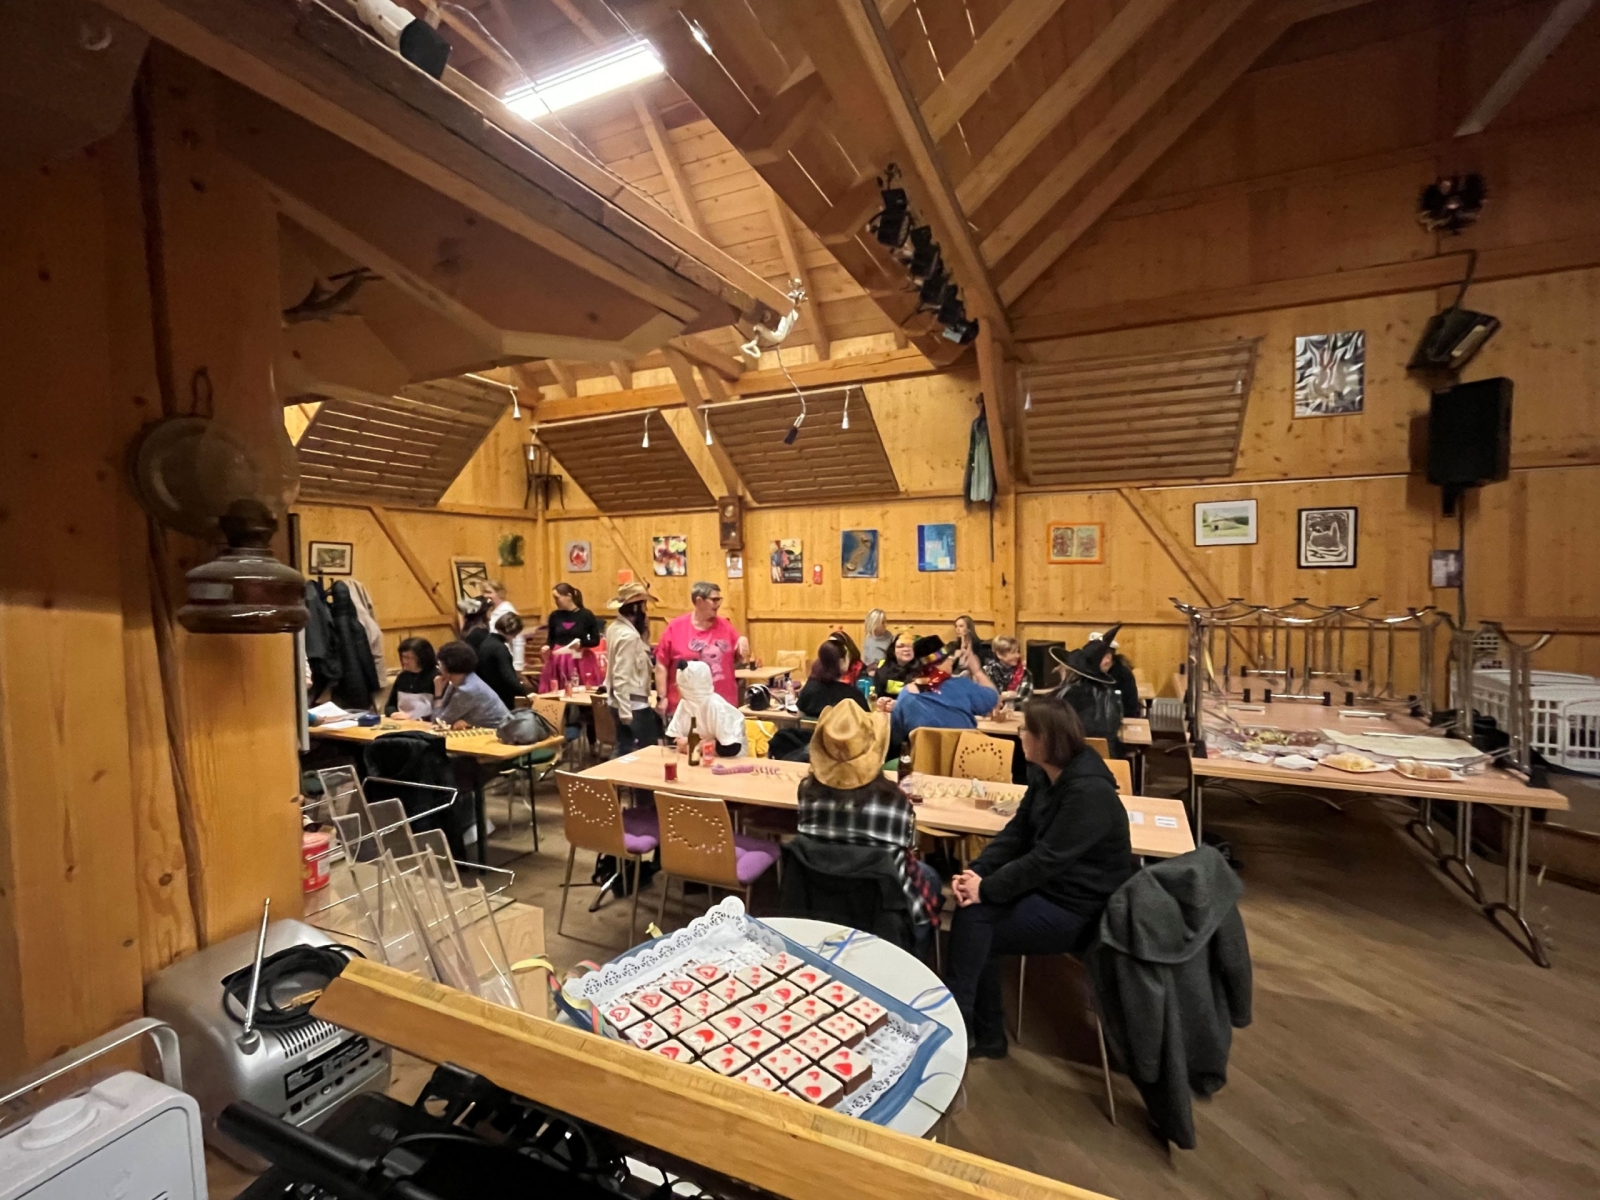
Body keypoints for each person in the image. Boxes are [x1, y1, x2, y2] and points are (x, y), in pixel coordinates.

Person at [945, 699, 1134, 1058]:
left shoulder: (1089, 793)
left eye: (1026, 730)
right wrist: (977, 872)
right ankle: (972, 1029)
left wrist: (986, 889)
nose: (1020, 735)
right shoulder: (1045, 774)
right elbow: (1018, 832)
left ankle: (962, 1028)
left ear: (1046, 739)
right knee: (973, 917)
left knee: (975, 924)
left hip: (1081, 909)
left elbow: (1046, 860)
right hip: (1050, 889)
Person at [797, 702, 942, 946]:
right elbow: (909, 847)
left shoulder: (806, 794)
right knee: (929, 876)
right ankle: (917, 953)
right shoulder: (895, 801)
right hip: (882, 906)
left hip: (822, 897)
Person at [885, 636, 999, 751]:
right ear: (936, 665)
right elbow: (993, 698)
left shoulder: (905, 696)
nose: (950, 661)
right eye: (947, 658)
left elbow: (896, 737)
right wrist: (977, 671)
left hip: (924, 760)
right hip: (964, 758)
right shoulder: (960, 686)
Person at [655, 580, 749, 714]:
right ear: (699, 601)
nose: (718, 604)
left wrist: (742, 642)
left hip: (722, 706)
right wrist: (662, 697)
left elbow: (735, 659)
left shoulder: (725, 625)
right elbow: (661, 664)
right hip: (686, 707)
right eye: (714, 600)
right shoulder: (676, 627)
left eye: (719, 600)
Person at [1051, 624, 1134, 751]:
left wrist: (1062, 682)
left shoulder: (1066, 695)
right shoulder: (1111, 698)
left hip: (1070, 756)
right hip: (1105, 757)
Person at [604, 581, 662, 758]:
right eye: (644, 606)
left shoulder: (614, 628)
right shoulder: (629, 637)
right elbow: (621, 675)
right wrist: (625, 712)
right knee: (646, 754)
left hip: (618, 701)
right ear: (636, 609)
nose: (646, 611)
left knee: (624, 750)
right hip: (633, 704)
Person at [666, 660, 747, 758]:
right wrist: (707, 743)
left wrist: (693, 744)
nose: (676, 686)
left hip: (728, 762)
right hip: (697, 759)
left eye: (680, 684)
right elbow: (672, 740)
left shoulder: (715, 706)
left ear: (689, 686)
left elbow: (730, 748)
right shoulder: (685, 703)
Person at [539, 582, 604, 691]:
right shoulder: (554, 616)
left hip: (580, 659)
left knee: (583, 690)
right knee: (559, 691)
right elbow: (551, 639)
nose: (555, 601)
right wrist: (547, 646)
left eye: (557, 598)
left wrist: (582, 644)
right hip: (559, 660)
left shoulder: (586, 615)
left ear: (569, 596)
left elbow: (595, 640)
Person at [433, 640, 511, 730]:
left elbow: (439, 721)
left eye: (440, 664)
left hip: (500, 733)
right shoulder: (464, 679)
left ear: (448, 666)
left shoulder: (467, 690)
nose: (438, 668)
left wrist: (438, 693)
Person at [476, 612, 532, 710]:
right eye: (515, 634)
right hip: (500, 699)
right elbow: (508, 678)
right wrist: (525, 693)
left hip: (486, 696)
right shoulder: (500, 648)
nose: (515, 637)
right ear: (512, 631)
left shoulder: (486, 642)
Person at [798, 641, 870, 718]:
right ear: (842, 662)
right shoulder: (853, 697)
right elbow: (867, 722)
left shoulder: (808, 689)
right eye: (848, 657)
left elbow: (799, 718)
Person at [384, 637, 437, 718]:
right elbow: (390, 705)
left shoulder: (436, 677)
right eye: (402, 657)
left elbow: (441, 711)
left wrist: (412, 717)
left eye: (408, 658)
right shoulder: (402, 677)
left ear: (422, 658)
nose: (404, 661)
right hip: (402, 721)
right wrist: (393, 713)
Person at [482, 580, 524, 671]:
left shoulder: (507, 611)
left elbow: (517, 639)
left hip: (503, 656)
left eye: (489, 592)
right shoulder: (491, 610)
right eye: (484, 592)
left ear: (499, 593)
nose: (485, 595)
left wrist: (518, 665)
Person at [982, 635, 1034, 706]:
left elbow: (1024, 699)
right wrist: (1006, 695)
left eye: (1018, 652)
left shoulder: (1025, 673)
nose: (1018, 655)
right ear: (999, 654)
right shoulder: (986, 671)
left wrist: (1005, 699)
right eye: (1013, 653)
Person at [871, 631, 920, 698]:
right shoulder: (883, 668)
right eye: (901, 646)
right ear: (893, 651)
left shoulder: (924, 670)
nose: (906, 649)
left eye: (910, 646)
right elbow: (877, 694)